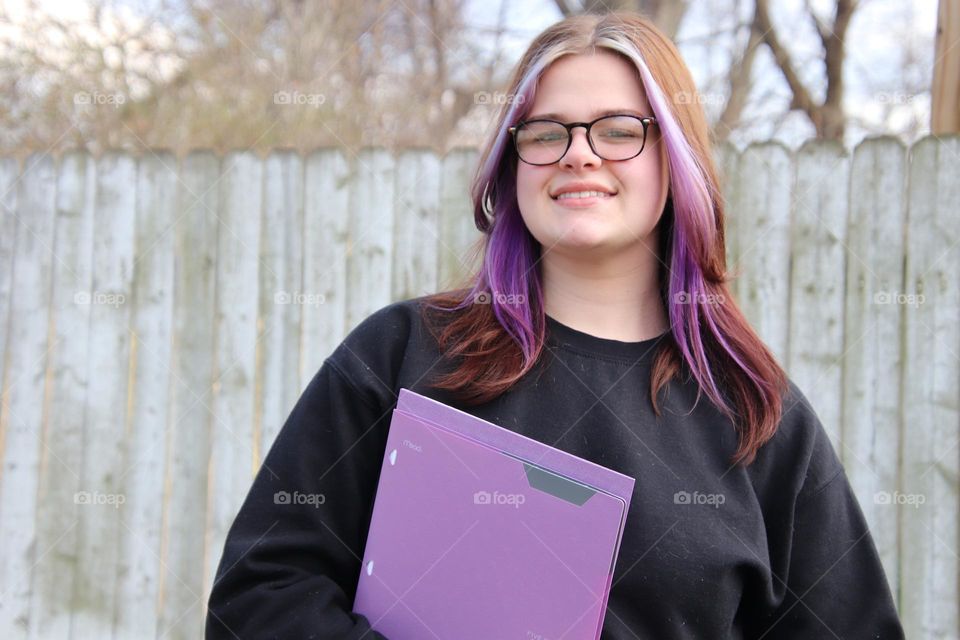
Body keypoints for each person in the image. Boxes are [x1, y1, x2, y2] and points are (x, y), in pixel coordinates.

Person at [206, 12, 905, 639]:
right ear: (512, 165)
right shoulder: (401, 355)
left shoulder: (759, 417)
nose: (578, 152)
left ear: (676, 161)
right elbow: (258, 598)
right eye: (545, 132)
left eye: (619, 130)